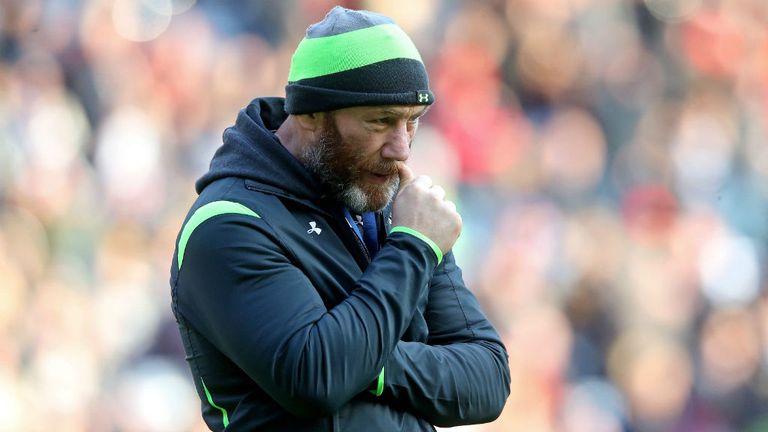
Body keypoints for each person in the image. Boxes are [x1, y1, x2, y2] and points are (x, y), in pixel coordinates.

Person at [170, 6, 510, 431]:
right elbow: (317, 377)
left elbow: (488, 379)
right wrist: (412, 248)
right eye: (381, 121)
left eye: (412, 122)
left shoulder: (397, 205)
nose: (402, 149)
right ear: (310, 114)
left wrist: (366, 360)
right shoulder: (227, 223)